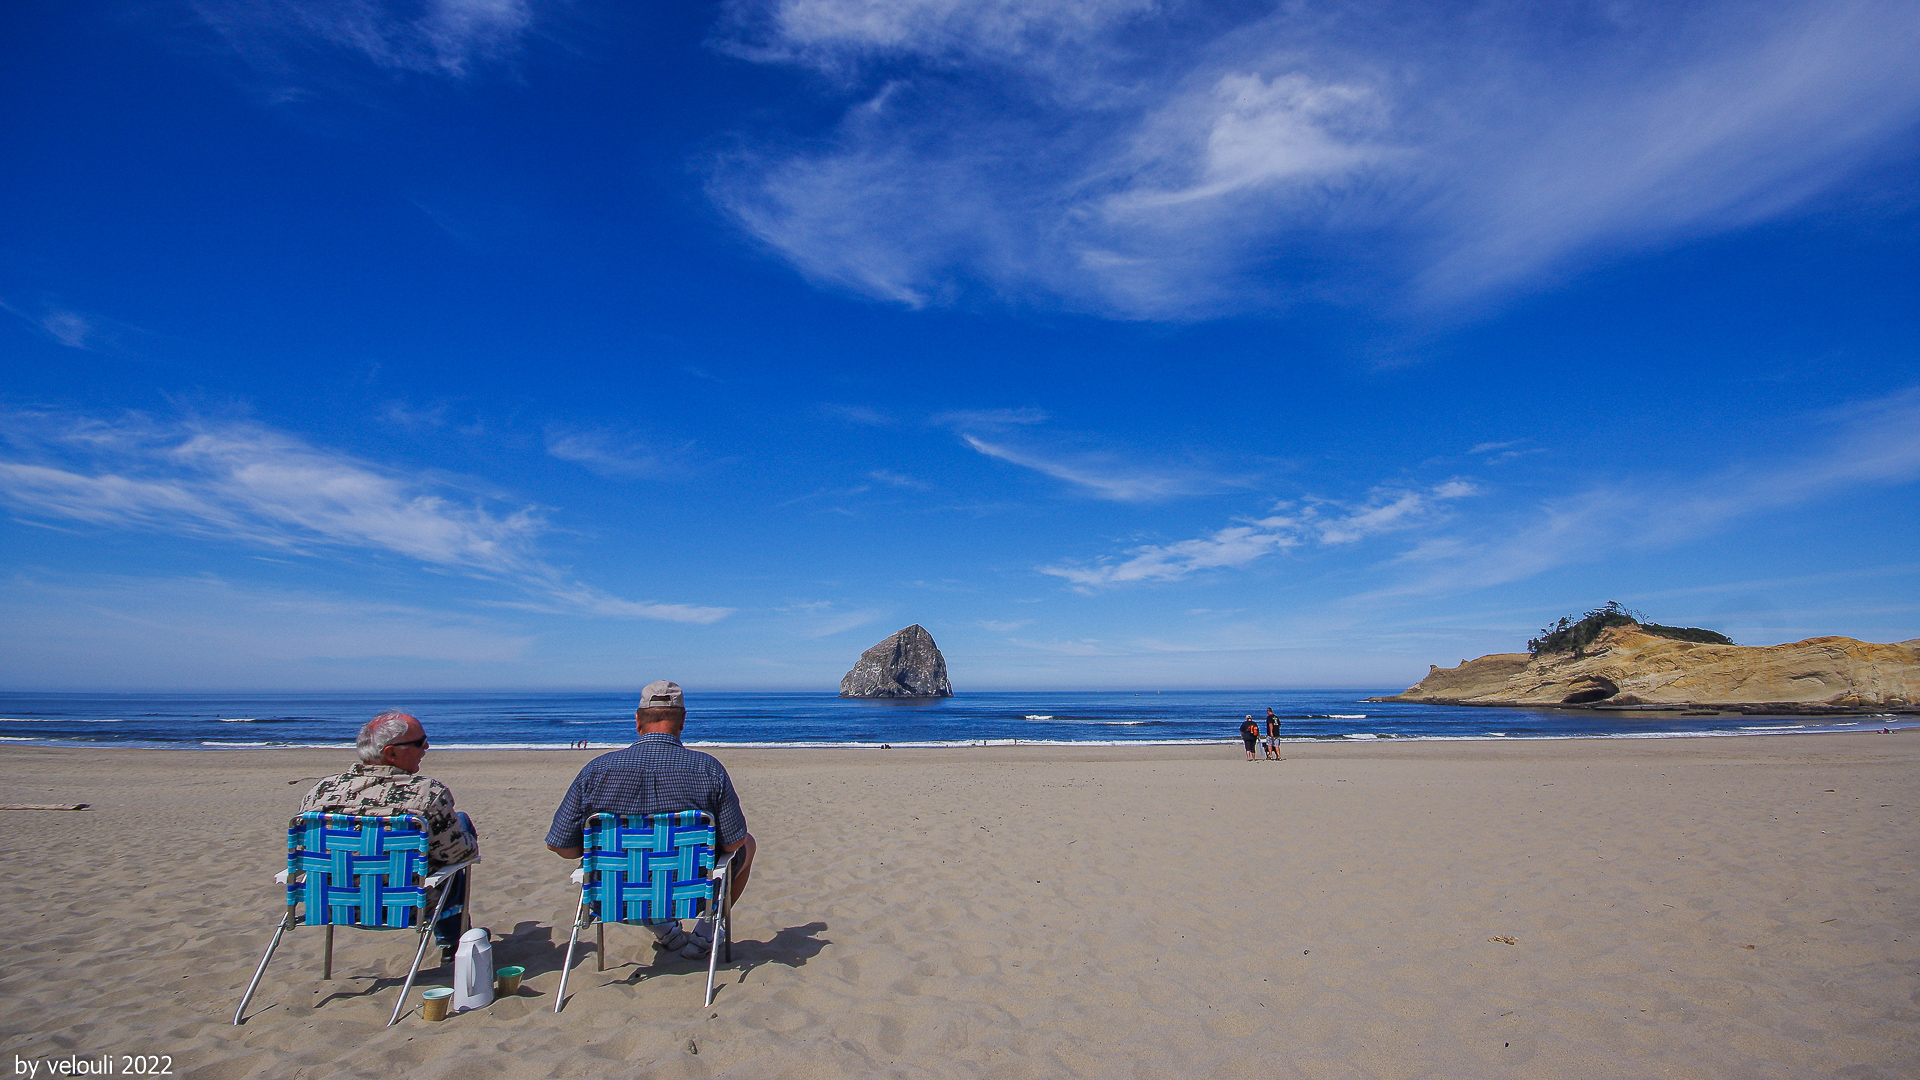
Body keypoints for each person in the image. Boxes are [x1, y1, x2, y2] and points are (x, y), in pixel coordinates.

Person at [546, 681, 756, 960]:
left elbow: (560, 846)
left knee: (630, 863)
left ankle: (665, 930)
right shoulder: (708, 770)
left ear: (637, 720)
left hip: (614, 898)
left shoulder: (595, 771)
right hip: (691, 896)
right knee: (748, 844)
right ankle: (706, 931)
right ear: (682, 721)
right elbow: (733, 843)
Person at [300, 710, 479, 961]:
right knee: (458, 828)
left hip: (329, 903)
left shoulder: (321, 792)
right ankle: (452, 942)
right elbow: (460, 854)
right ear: (391, 753)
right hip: (404, 906)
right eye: (420, 742)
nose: (426, 747)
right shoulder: (427, 794)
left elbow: (308, 854)